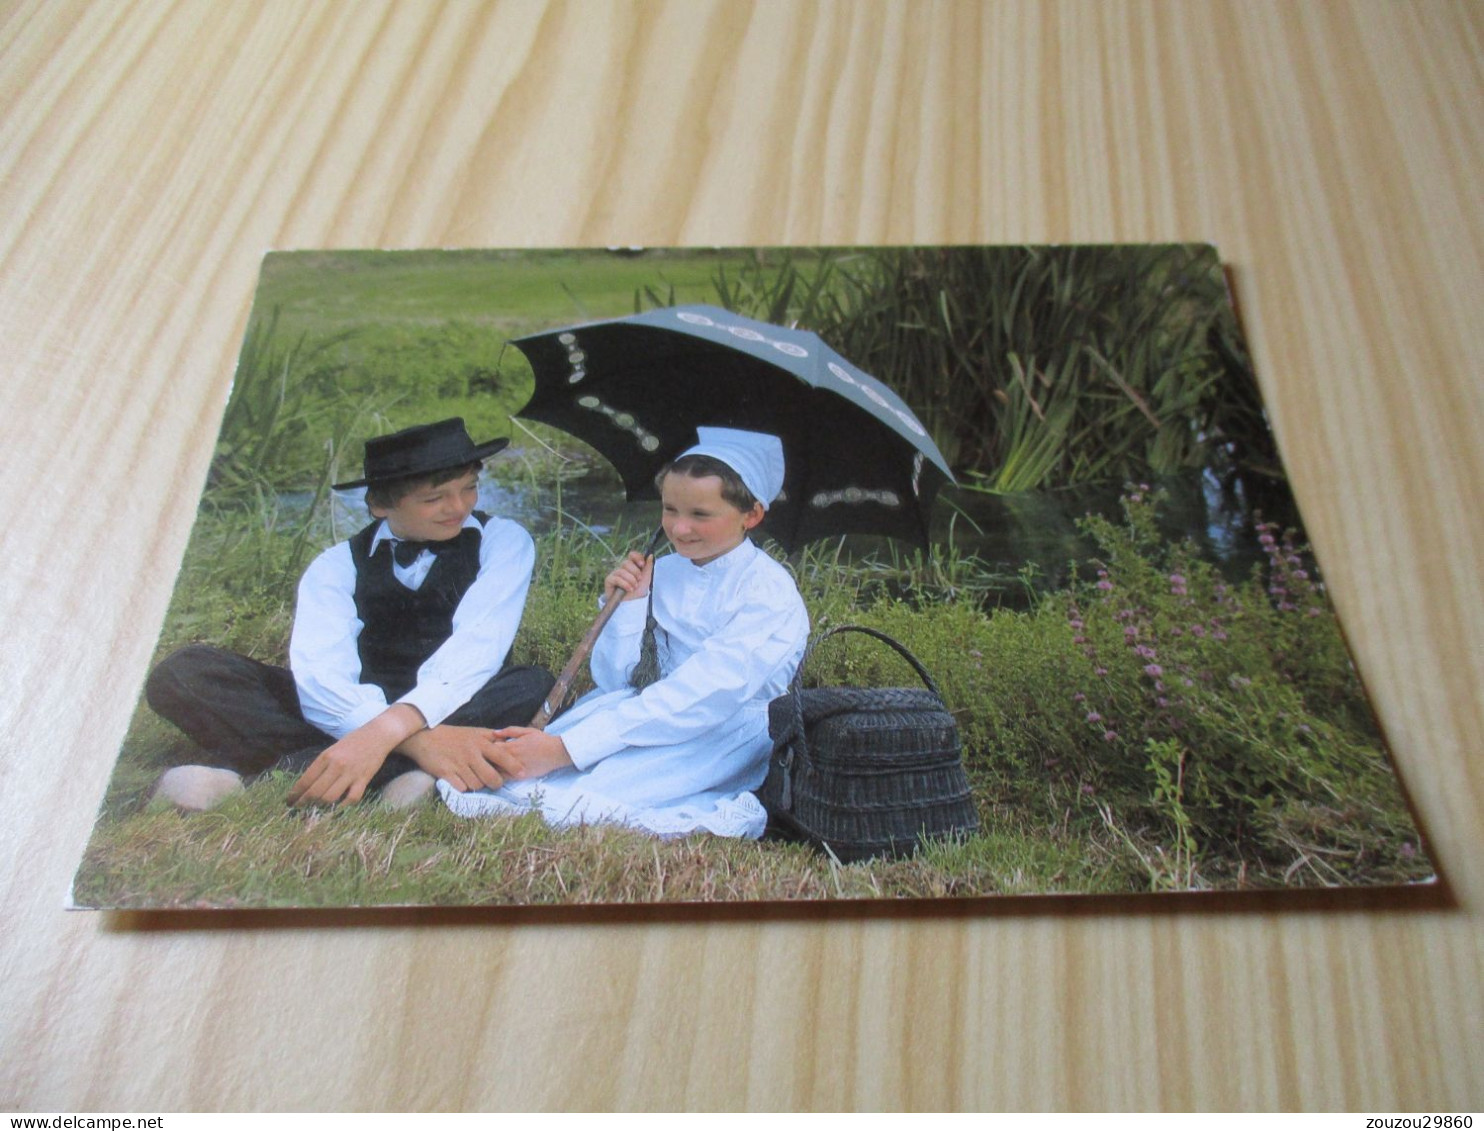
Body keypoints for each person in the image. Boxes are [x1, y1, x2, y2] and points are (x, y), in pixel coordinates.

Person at [145, 418, 554, 810]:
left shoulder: (503, 541)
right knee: (184, 672)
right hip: (352, 702)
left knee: (530, 684)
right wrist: (409, 738)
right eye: (434, 498)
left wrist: (388, 730)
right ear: (379, 504)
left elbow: (477, 650)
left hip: (455, 699)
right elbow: (322, 674)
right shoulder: (336, 564)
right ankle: (410, 768)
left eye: (470, 488)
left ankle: (268, 780)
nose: (459, 506)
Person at [440, 426, 810, 839]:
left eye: (700, 515)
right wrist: (630, 605)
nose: (679, 529)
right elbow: (619, 679)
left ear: (752, 515)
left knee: (584, 796)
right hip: (643, 712)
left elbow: (705, 695)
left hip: (718, 732)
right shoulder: (663, 572)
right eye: (670, 509)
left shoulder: (768, 593)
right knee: (526, 779)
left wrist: (566, 750)